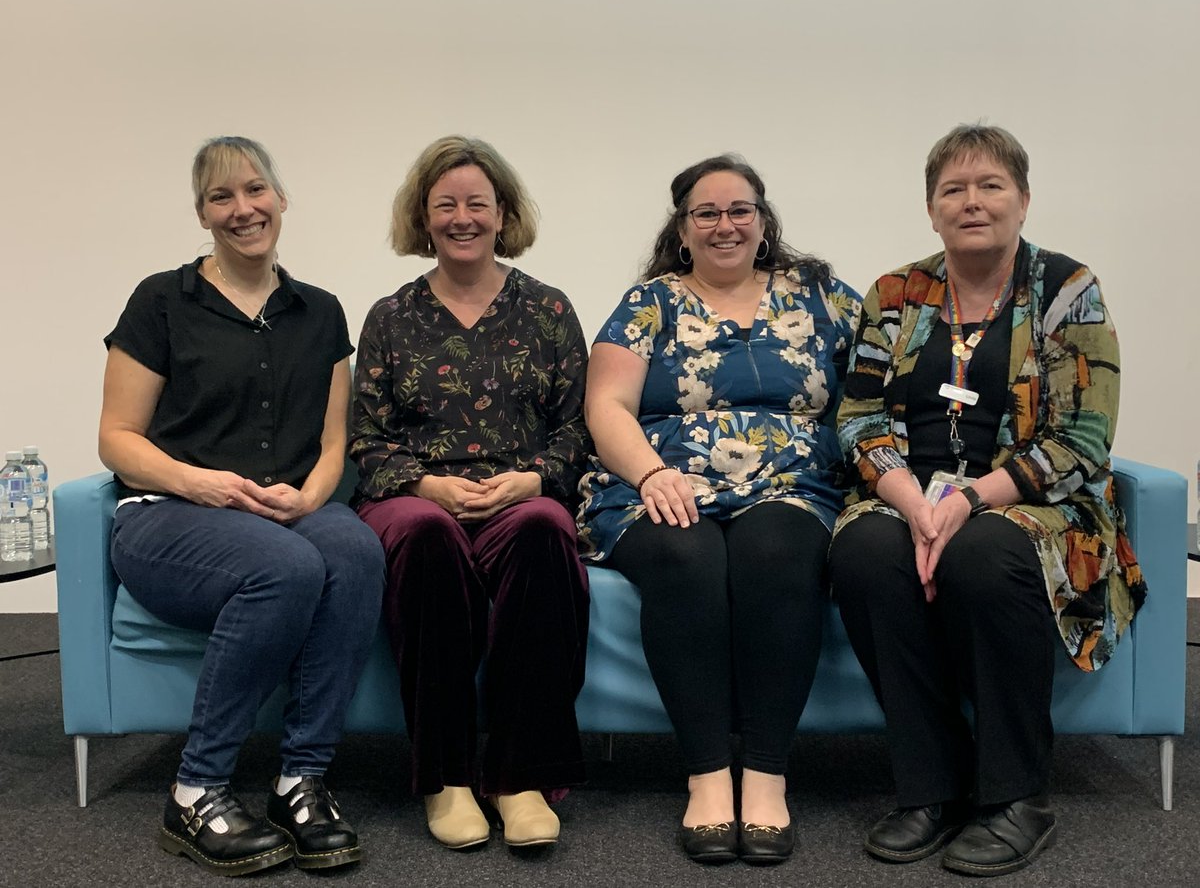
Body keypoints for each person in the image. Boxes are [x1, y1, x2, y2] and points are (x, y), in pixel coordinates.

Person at [828, 123, 1146, 877]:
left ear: (1023, 201)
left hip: (1033, 503)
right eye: (953, 190)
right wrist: (913, 504)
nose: (972, 202)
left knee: (985, 553)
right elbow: (858, 419)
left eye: (990, 185)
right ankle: (929, 787)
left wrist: (968, 502)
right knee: (865, 553)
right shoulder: (896, 293)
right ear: (932, 210)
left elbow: (1084, 439)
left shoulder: (1068, 291)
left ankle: (1016, 796)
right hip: (910, 495)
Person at [98, 137, 384, 877]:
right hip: (168, 514)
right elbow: (117, 439)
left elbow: (333, 445)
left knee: (353, 551)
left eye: (254, 190)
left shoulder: (320, 312)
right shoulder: (161, 299)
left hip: (281, 507)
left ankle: (301, 782)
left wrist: (311, 497)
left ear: (281, 200)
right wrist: (201, 483)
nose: (242, 209)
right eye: (221, 197)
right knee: (285, 567)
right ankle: (196, 790)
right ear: (202, 212)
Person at [578, 155, 861, 865]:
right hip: (662, 481)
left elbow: (878, 392)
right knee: (686, 552)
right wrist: (649, 473)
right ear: (683, 229)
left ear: (763, 223)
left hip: (793, 484)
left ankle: (765, 775)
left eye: (740, 210)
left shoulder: (821, 296)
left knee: (776, 551)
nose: (725, 225)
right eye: (707, 213)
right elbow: (606, 404)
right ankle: (707, 776)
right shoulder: (651, 301)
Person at [350, 136, 590, 851]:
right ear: (423, 218)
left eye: (476, 204)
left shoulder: (547, 309)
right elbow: (365, 437)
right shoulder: (391, 316)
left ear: (503, 213)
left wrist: (533, 479)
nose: (462, 217)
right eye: (445, 204)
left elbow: (579, 426)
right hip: (415, 497)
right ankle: (445, 777)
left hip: (517, 492)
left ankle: (521, 777)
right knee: (426, 535)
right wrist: (426, 485)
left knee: (547, 528)